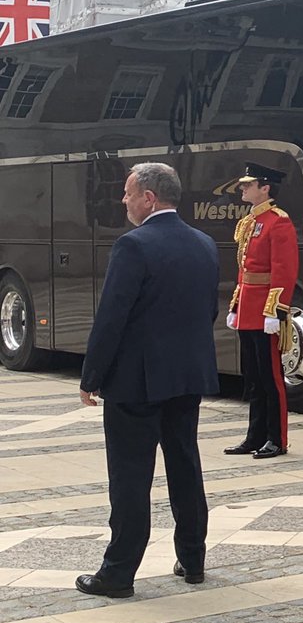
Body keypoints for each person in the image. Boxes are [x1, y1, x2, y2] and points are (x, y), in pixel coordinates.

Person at [75, 163, 219, 598]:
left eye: (127, 193)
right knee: (185, 467)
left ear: (149, 198)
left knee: (131, 478)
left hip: (136, 381)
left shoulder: (133, 246)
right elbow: (206, 311)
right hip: (187, 375)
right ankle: (192, 559)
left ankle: (118, 573)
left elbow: (112, 318)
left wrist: (92, 376)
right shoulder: (205, 243)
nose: (123, 201)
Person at [224, 163, 299, 461]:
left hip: (265, 309)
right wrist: (236, 305)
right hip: (248, 309)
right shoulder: (251, 221)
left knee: (271, 378)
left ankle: (276, 438)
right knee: (253, 376)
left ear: (265, 188)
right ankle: (255, 435)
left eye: (248, 184)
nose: (243, 189)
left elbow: (284, 270)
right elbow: (245, 271)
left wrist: (275, 311)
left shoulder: (278, 222)